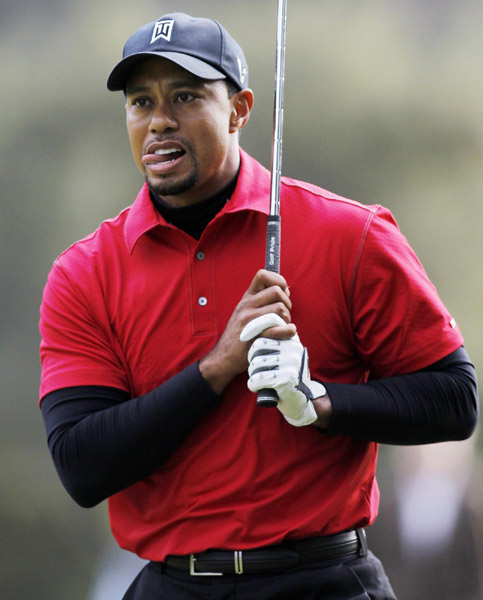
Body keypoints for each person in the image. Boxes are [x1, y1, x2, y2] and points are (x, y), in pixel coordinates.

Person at [39, 12, 478, 600]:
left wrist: (322, 402)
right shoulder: (84, 273)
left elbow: (454, 399)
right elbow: (83, 465)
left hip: (325, 580)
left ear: (240, 109)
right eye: (140, 102)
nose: (159, 120)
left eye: (186, 96)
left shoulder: (352, 235)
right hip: (174, 586)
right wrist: (218, 367)